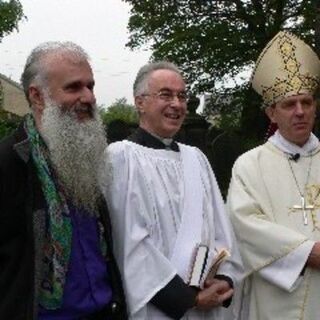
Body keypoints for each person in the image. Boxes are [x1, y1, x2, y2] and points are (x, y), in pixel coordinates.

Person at [100, 61, 243, 319]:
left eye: (182, 96)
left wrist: (225, 278)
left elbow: (221, 228)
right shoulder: (122, 157)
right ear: (140, 102)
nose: (177, 104)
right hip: (158, 307)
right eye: (165, 95)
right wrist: (188, 299)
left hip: (208, 304)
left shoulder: (196, 158)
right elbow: (130, 245)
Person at [0, 41, 127, 319]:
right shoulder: (9, 162)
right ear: (37, 96)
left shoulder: (89, 154)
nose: (89, 97)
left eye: (90, 86)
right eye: (73, 87)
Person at [227, 31, 320, 319]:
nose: (300, 112)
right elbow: (245, 226)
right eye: (289, 104)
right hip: (276, 298)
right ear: (271, 113)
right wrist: (306, 252)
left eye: (306, 102)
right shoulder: (249, 165)